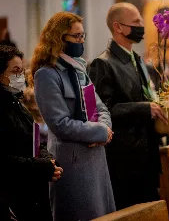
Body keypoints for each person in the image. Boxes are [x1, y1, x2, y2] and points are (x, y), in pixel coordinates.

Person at [30, 12, 115, 221]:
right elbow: (59, 123)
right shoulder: (47, 74)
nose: (81, 41)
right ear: (59, 39)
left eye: (82, 36)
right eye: (76, 37)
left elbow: (100, 108)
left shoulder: (79, 70)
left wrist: (103, 129)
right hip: (73, 160)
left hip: (96, 156)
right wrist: (98, 132)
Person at [89, 3, 167, 210]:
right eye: (136, 22)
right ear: (118, 27)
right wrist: (144, 108)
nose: (142, 26)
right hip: (125, 157)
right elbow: (102, 110)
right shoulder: (103, 63)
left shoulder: (137, 59)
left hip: (147, 151)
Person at [0, 45, 62, 221]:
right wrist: (40, 167)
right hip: (13, 196)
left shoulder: (18, 105)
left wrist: (47, 160)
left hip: (34, 190)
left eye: (22, 70)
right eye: (15, 71)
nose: (20, 77)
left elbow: (36, 140)